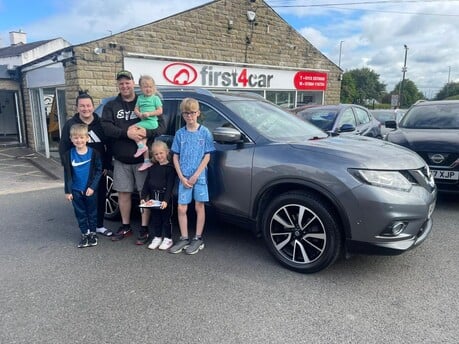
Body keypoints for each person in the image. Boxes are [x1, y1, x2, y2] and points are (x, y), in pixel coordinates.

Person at [101, 70, 166, 243]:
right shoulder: (111, 106)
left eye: (127, 82)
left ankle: (144, 228)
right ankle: (125, 226)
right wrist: (125, 133)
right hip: (122, 160)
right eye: (121, 83)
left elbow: (161, 127)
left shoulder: (145, 98)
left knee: (144, 194)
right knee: (123, 194)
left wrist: (147, 131)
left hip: (143, 161)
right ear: (118, 85)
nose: (124, 86)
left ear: (133, 84)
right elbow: (106, 128)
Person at [59, 91, 113, 237]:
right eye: (82, 106)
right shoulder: (71, 124)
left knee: (100, 196)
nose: (85, 108)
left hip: (98, 169)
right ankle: (87, 230)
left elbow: (109, 145)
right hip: (79, 169)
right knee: (82, 202)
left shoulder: (101, 123)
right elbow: (63, 147)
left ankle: (99, 226)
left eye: (88, 105)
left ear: (93, 106)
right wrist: (67, 167)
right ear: (77, 108)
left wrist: (107, 165)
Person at [169, 98, 215, 255]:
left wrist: (196, 174)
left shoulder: (205, 132)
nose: (189, 116)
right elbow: (175, 156)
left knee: (199, 206)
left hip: (199, 176)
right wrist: (181, 176)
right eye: (186, 113)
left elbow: (207, 156)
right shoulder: (180, 134)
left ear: (198, 113)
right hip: (184, 177)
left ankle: (198, 237)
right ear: (183, 115)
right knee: (181, 207)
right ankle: (184, 237)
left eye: (192, 113)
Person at [62, 123, 102, 248]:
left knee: (92, 213)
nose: (79, 140)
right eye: (76, 138)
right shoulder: (68, 155)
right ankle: (85, 233)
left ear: (87, 138)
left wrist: (92, 187)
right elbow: (67, 174)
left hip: (90, 190)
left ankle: (93, 234)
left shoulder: (94, 153)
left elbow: (98, 171)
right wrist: (68, 191)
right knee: (80, 213)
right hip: (76, 190)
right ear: (71, 139)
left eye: (81, 137)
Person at [140, 140, 177, 250]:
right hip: (153, 198)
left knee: (166, 219)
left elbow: (170, 186)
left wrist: (166, 200)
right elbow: (146, 184)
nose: (159, 156)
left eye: (161, 153)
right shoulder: (152, 168)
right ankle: (157, 237)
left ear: (166, 152)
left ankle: (168, 238)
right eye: (156, 154)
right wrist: (143, 197)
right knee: (156, 218)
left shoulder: (170, 169)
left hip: (165, 199)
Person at [133, 75, 163, 172]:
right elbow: (136, 109)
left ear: (154, 87)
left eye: (150, 87)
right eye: (145, 87)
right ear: (141, 88)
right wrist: (139, 114)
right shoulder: (140, 98)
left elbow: (160, 111)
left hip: (151, 122)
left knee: (132, 129)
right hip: (143, 121)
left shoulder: (155, 99)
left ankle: (141, 147)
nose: (148, 89)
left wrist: (149, 113)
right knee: (142, 138)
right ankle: (146, 160)